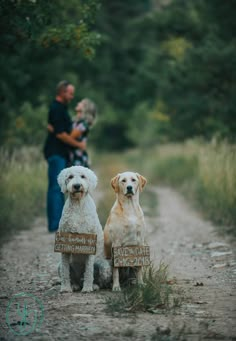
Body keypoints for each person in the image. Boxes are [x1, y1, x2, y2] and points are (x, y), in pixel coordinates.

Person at [43, 80, 86, 233]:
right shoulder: (57, 108)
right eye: (70, 93)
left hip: (60, 153)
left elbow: (58, 129)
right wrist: (78, 144)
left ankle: (58, 223)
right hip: (56, 153)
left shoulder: (61, 109)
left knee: (59, 187)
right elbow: (61, 134)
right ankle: (55, 225)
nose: (72, 96)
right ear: (62, 92)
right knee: (57, 187)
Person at [69, 98, 97, 168]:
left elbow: (70, 136)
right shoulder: (75, 120)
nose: (78, 103)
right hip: (71, 154)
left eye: (81, 103)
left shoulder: (84, 123)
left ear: (85, 108)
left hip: (77, 156)